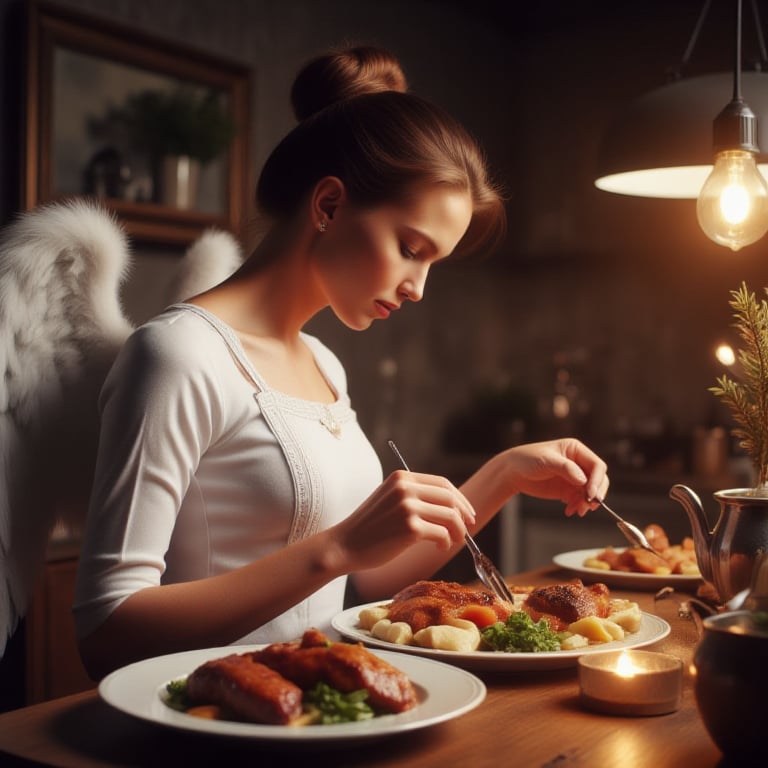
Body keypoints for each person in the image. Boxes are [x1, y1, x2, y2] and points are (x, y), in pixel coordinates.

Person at [73, 45, 609, 679]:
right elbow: (107, 630)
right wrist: (338, 547)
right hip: (209, 721)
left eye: (432, 262)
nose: (418, 287)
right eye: (411, 248)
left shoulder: (325, 364)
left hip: (325, 711)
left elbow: (366, 577)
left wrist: (503, 475)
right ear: (328, 206)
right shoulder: (177, 355)